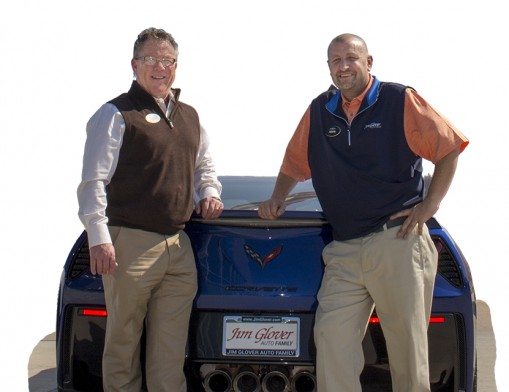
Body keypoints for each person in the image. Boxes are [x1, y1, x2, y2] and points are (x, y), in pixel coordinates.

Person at [258, 33, 468, 392]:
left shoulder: (399, 99)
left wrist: (429, 205)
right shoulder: (319, 110)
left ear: (369, 62)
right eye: (335, 61)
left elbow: (448, 147)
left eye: (351, 58)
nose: (343, 67)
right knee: (332, 338)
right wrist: (278, 197)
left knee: (406, 350)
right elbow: (294, 164)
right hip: (344, 249)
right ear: (328, 67)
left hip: (397, 242)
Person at [77, 27, 223, 392]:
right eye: (150, 60)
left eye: (167, 60)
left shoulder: (189, 115)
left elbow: (204, 166)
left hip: (179, 247)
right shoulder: (115, 114)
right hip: (130, 246)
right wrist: (99, 237)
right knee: (123, 346)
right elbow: (93, 182)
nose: (160, 67)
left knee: (170, 353)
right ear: (134, 65)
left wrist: (209, 192)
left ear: (176, 66)